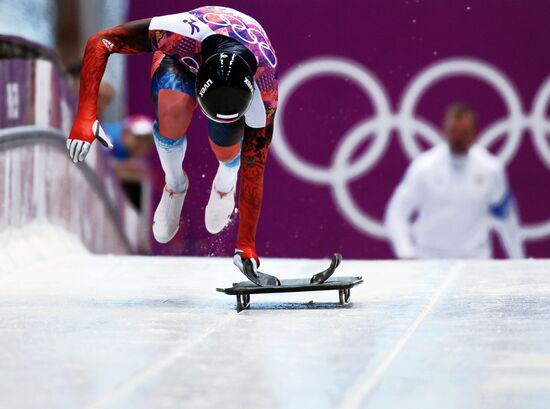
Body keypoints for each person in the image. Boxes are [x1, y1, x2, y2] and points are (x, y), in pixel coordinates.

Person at [66, 6, 279, 282]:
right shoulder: (177, 33)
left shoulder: (266, 91)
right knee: (172, 107)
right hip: (181, 57)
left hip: (224, 65)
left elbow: (254, 170)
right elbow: (101, 41)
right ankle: (175, 183)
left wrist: (246, 244)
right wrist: (86, 115)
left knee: (226, 145)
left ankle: (225, 181)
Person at [385, 103, 525, 259]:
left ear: (474, 133)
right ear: (444, 131)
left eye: (463, 133)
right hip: (429, 258)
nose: (458, 138)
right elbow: (397, 211)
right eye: (454, 132)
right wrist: (406, 251)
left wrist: (518, 260)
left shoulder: (491, 169)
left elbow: (507, 219)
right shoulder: (424, 167)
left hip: (475, 260)